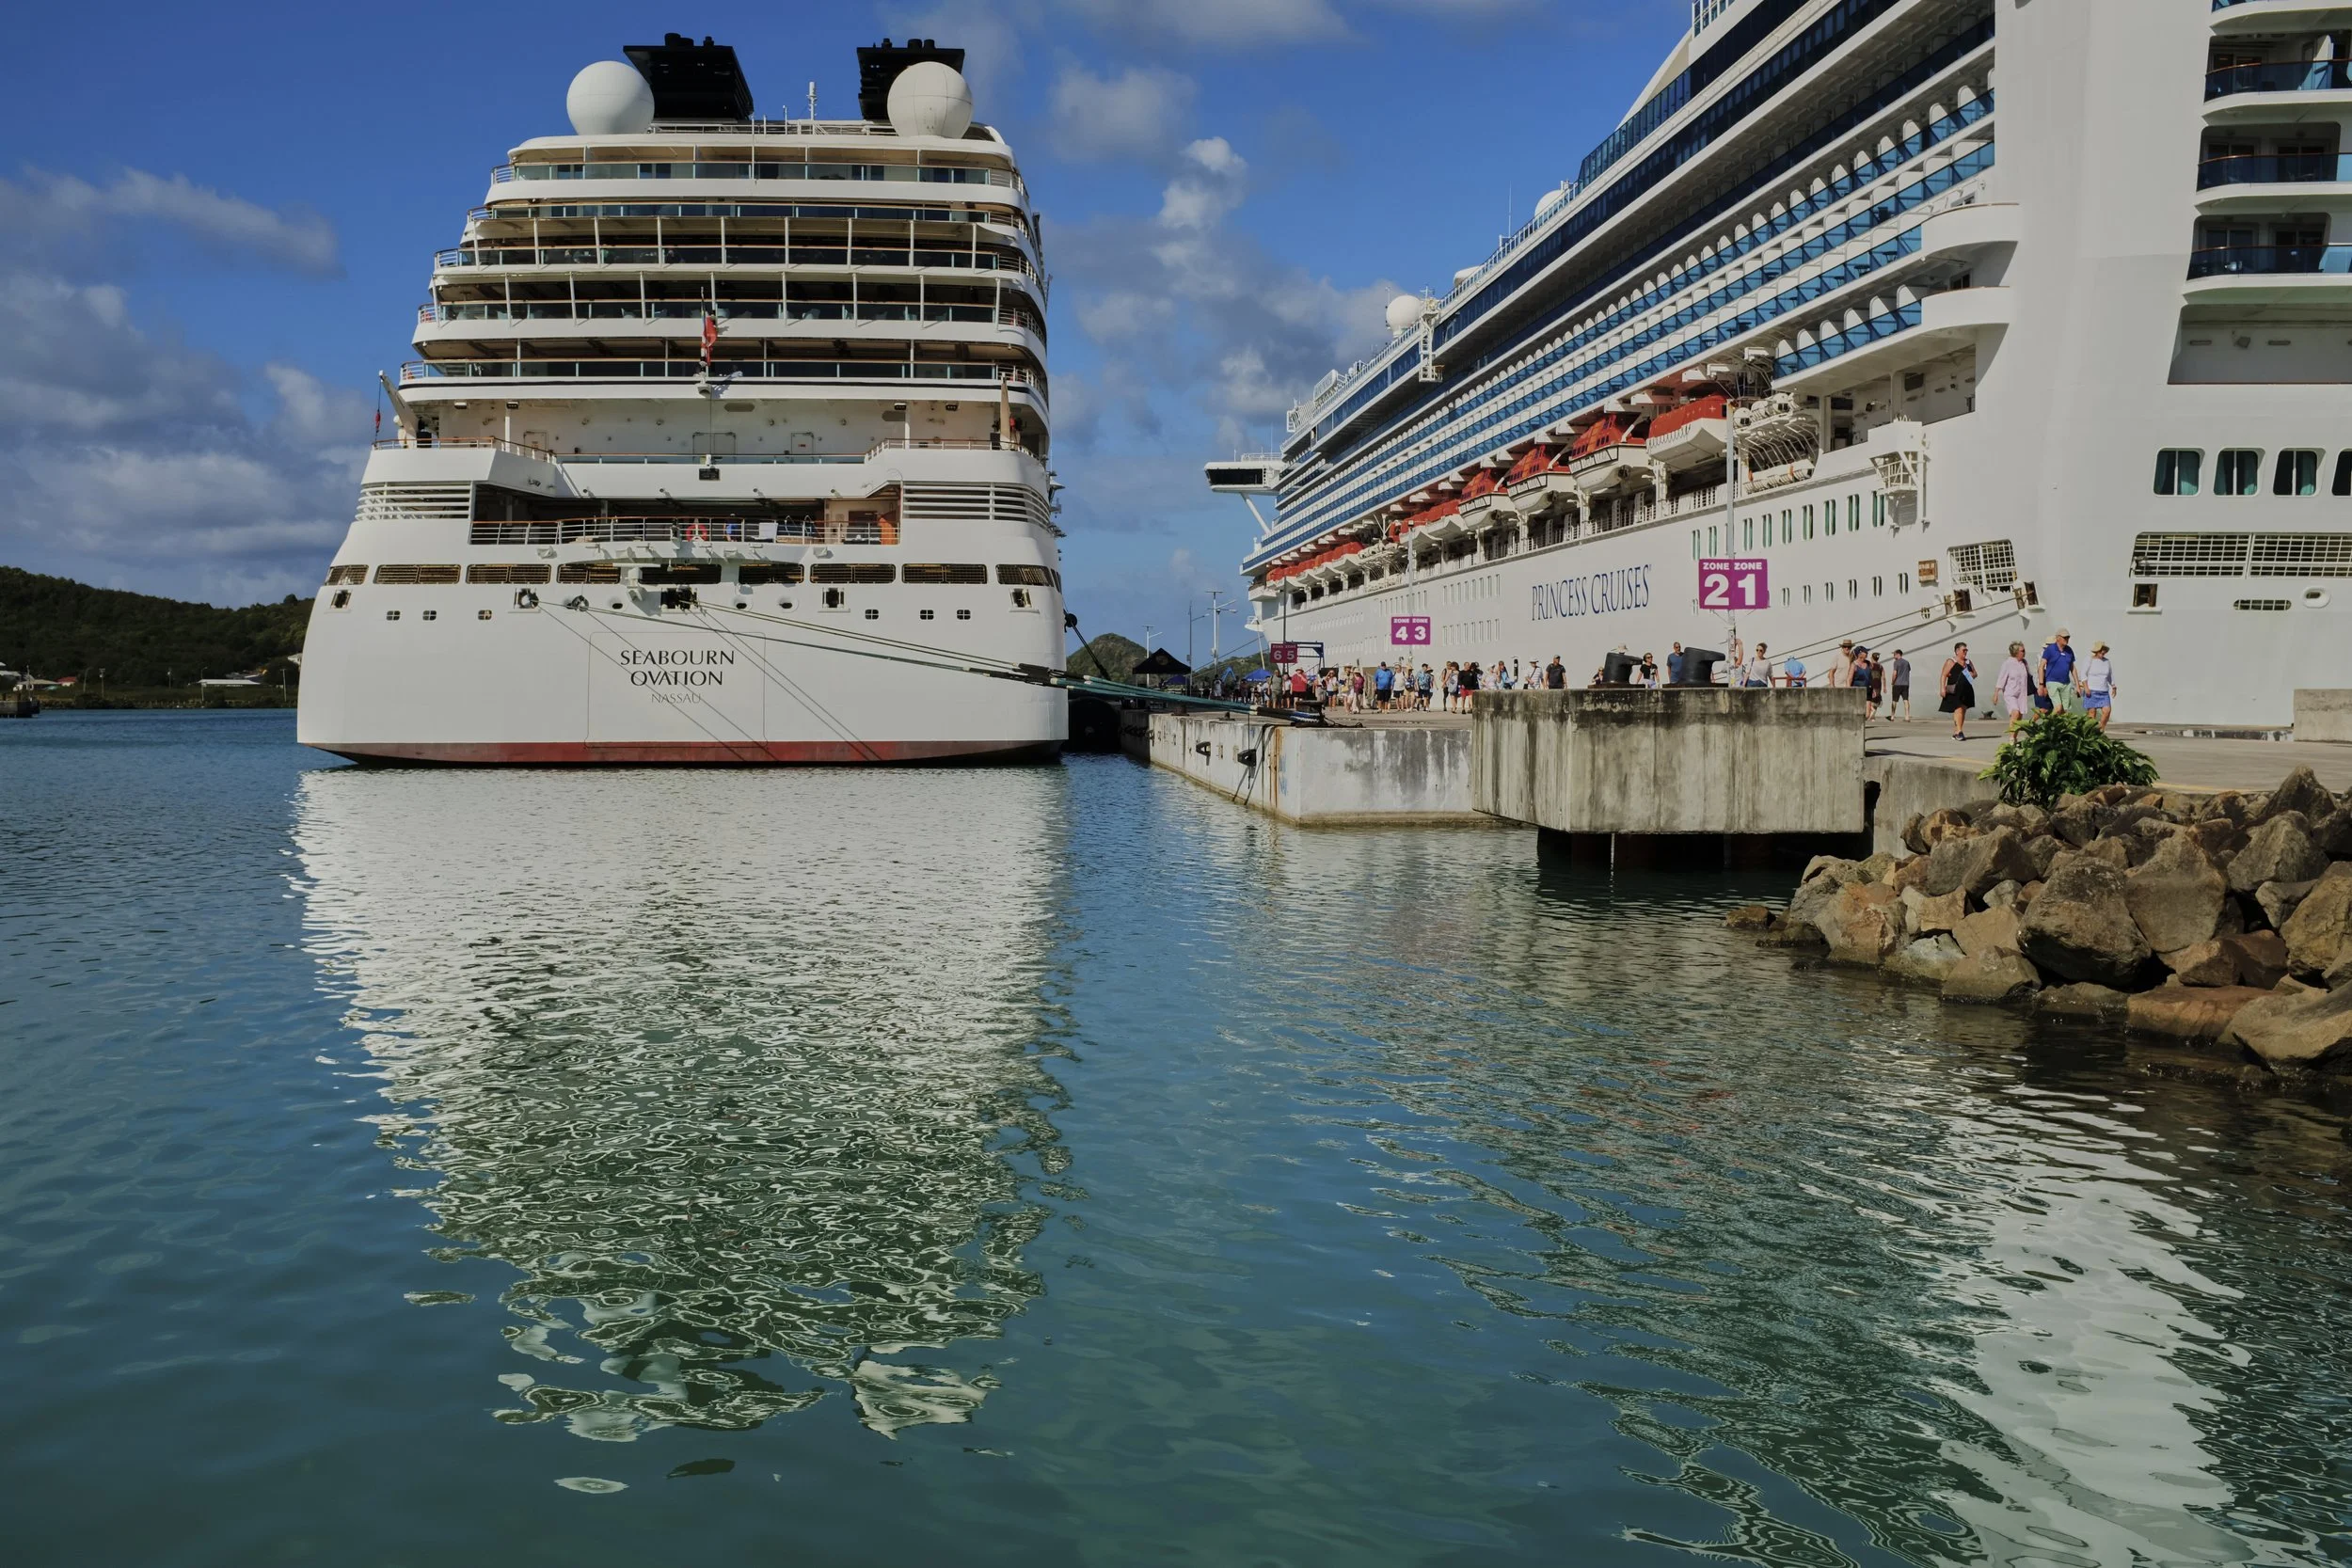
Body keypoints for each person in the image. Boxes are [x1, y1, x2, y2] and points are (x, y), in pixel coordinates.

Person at [1939, 642, 1977, 738]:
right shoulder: (1951, 661)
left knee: (1963, 710)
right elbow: (1944, 675)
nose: (1966, 652)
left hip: (1967, 690)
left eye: (1966, 650)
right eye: (1964, 650)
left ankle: (1957, 731)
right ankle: (1960, 731)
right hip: (1955, 690)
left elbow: (1975, 673)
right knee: (1958, 709)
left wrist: (1972, 674)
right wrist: (1942, 688)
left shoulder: (1968, 662)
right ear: (1957, 651)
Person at [1995, 641, 2034, 727]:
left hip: (2021, 693)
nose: (2024, 652)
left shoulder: (2024, 663)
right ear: (2016, 652)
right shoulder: (2007, 664)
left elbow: (2029, 676)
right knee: (2015, 712)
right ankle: (2011, 738)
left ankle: (2014, 737)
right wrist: (1996, 694)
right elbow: (2001, 679)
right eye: (2022, 651)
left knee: (2019, 716)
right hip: (2010, 693)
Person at [2040, 628, 2077, 714]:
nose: (2067, 639)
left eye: (2068, 637)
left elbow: (2073, 668)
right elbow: (2041, 667)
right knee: (2058, 707)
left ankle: (2058, 726)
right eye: (2065, 637)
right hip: (2052, 682)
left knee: (2064, 710)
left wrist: (2077, 685)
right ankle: (2050, 724)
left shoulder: (2069, 650)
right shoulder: (2050, 649)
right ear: (2058, 638)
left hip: (2066, 683)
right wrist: (2041, 684)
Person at [2082, 641, 2115, 729]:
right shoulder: (2089, 660)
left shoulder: (2107, 662)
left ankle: (2100, 729)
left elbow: (2110, 675)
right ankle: (2090, 733)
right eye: (2101, 650)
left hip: (2104, 691)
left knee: (2107, 711)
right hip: (2091, 691)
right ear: (2097, 651)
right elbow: (2083, 675)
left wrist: (2113, 686)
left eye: (2104, 650)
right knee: (2092, 714)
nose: (2103, 652)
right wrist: (2086, 688)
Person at [1889, 649, 1912, 721]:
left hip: (1897, 684)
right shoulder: (1907, 662)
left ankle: (1892, 716)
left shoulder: (1896, 662)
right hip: (1906, 684)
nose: (1893, 656)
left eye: (1894, 654)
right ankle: (1907, 717)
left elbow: (1895, 673)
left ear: (1898, 654)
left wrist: (1892, 681)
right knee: (1906, 700)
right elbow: (1908, 670)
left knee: (1894, 700)